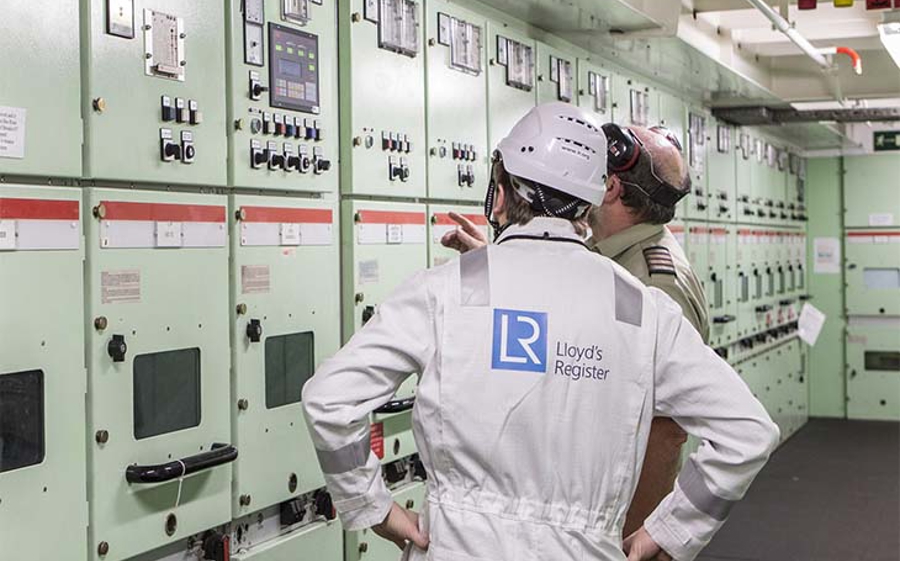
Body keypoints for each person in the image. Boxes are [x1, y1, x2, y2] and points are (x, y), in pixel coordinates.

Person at [303, 102, 779, 561]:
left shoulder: (444, 289)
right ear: (594, 198)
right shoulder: (640, 307)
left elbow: (329, 400)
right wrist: (671, 529)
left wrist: (373, 505)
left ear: (503, 188)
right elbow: (748, 433)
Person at [445, 123, 711, 539]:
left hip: (612, 523)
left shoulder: (653, 281)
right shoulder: (613, 252)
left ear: (608, 188)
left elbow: (666, 431)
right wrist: (501, 261)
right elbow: (567, 303)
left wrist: (639, 536)